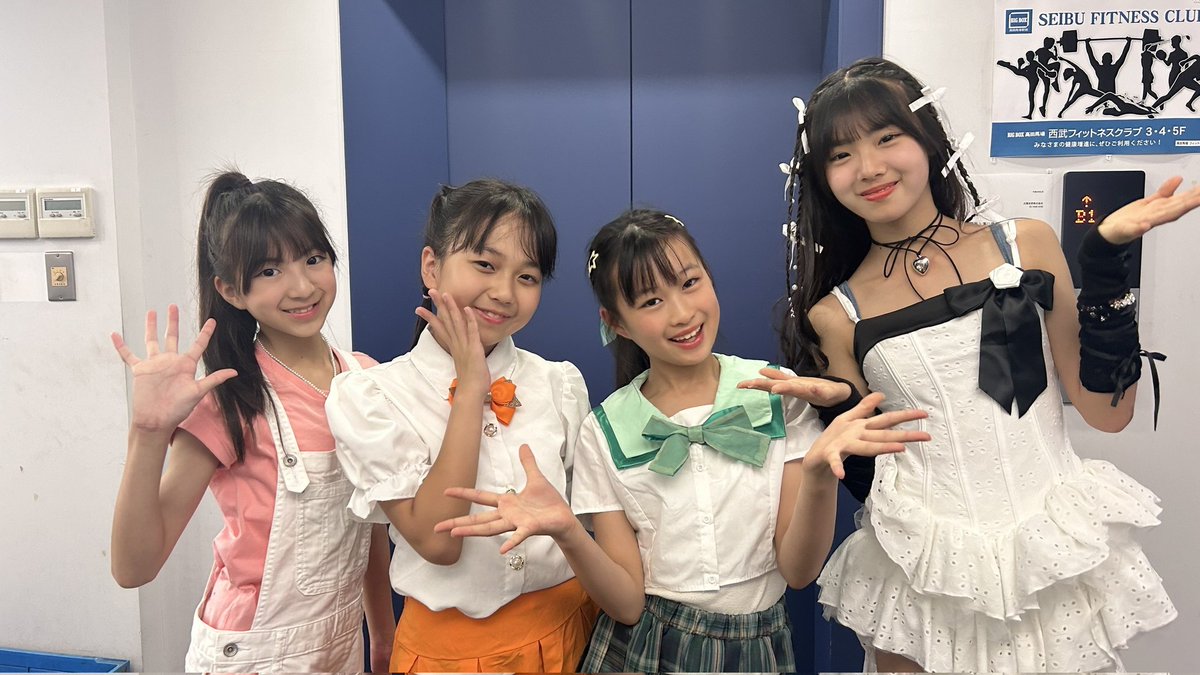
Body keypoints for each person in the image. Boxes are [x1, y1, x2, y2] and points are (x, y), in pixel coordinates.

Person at [775, 57, 1196, 672]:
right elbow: (873, 476)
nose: (868, 167)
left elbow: (1108, 412)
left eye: (887, 137)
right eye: (841, 154)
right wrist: (835, 413)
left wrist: (1105, 262)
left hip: (1050, 553)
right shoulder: (835, 315)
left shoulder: (1026, 243)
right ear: (822, 177)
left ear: (928, 137)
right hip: (923, 572)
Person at [435, 209, 930, 672]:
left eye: (690, 283)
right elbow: (627, 604)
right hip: (645, 648)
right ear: (615, 322)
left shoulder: (777, 393)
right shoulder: (604, 430)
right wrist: (567, 531)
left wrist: (820, 475)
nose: (682, 313)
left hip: (760, 646)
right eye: (651, 301)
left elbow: (798, 572)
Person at [109, 171, 394, 672]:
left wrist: (383, 635)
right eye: (269, 270)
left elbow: (369, 518)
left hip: (342, 644)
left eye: (313, 259)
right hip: (253, 654)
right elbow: (134, 568)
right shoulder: (229, 400)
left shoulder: (364, 379)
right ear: (231, 290)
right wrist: (147, 434)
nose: (302, 286)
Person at [326, 179, 598, 673]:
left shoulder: (559, 384)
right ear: (431, 266)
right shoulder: (371, 397)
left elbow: (587, 520)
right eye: (485, 265)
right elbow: (438, 543)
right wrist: (472, 388)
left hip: (572, 631)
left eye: (528, 276)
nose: (504, 293)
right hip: (452, 656)